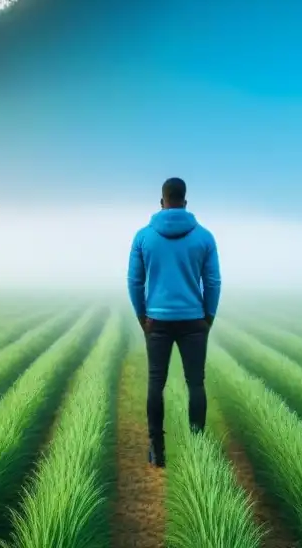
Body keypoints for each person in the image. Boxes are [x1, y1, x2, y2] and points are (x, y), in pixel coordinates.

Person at [127, 176, 221, 468]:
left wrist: (143, 316)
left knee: (156, 383)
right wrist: (208, 316)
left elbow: (134, 282)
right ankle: (197, 451)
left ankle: (157, 451)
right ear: (185, 201)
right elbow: (213, 281)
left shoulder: (143, 237)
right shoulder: (204, 237)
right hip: (194, 320)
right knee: (196, 383)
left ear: (161, 201)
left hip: (157, 320)